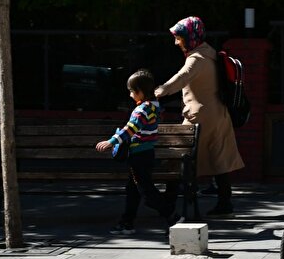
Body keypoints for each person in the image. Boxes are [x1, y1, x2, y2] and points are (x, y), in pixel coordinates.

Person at [155, 16, 244, 217]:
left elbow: (180, 79)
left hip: (199, 119)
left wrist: (157, 92)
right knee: (219, 160)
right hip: (219, 115)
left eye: (179, 38)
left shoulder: (196, 59)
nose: (176, 42)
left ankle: (168, 204)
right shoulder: (210, 53)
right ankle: (225, 203)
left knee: (179, 157)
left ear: (190, 37)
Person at [96, 70, 172, 234]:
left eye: (131, 91)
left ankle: (173, 217)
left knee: (147, 193)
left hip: (139, 156)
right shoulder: (153, 106)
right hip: (145, 155)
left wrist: (111, 142)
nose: (130, 95)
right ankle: (126, 222)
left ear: (140, 92)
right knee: (133, 190)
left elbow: (130, 129)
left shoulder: (142, 110)